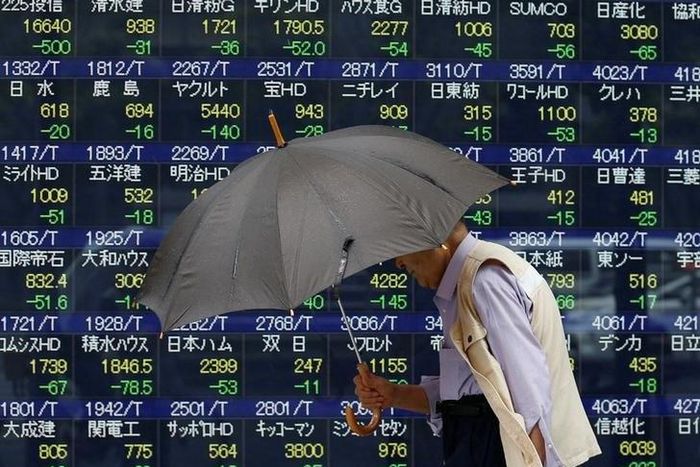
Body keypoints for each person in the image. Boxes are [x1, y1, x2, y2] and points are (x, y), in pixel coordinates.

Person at [353, 222, 601, 467]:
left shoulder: (484, 280)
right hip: (480, 444)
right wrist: (394, 394)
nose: (398, 263)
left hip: (498, 447)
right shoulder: (466, 285)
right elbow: (469, 392)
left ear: (438, 241)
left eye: (401, 247)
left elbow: (527, 388)